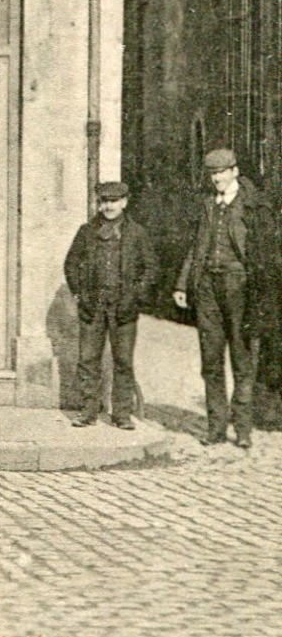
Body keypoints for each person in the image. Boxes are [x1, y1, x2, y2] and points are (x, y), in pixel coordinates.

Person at [174, 148, 279, 449]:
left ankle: (242, 428)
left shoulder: (253, 206)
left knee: (243, 359)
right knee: (211, 359)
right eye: (212, 174)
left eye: (222, 172)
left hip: (241, 288)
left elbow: (267, 253)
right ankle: (215, 428)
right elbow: (196, 247)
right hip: (208, 285)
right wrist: (183, 283)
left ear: (235, 171)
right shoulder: (208, 204)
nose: (217, 178)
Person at [64, 180, 158, 430]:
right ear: (99, 203)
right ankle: (87, 411)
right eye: (104, 201)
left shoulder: (137, 233)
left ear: (125, 202)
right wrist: (79, 294)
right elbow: (71, 264)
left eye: (114, 201)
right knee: (88, 358)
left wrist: (135, 297)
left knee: (123, 360)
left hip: (123, 307)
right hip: (93, 306)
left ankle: (122, 414)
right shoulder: (86, 232)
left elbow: (151, 269)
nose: (109, 206)